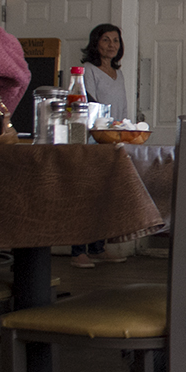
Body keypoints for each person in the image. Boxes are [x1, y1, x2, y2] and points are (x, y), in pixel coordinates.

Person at [70, 23, 129, 268]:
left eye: (115, 40)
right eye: (106, 40)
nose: (111, 45)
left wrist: (125, 132)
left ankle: (98, 247)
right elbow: (88, 105)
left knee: (104, 197)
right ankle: (77, 251)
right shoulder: (88, 70)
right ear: (96, 43)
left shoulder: (119, 73)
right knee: (85, 196)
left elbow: (122, 108)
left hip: (113, 141)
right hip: (92, 140)